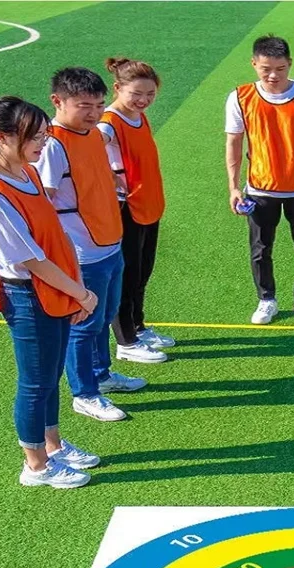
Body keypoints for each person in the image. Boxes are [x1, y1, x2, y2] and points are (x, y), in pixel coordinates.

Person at [0, 96, 100, 488]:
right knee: (35, 381)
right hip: (28, 295)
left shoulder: (27, 172)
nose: (43, 143)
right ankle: (35, 466)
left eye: (43, 134)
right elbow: (31, 261)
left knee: (51, 374)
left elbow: (50, 239)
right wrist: (81, 294)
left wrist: (73, 291)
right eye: (34, 136)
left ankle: (53, 446)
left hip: (52, 288)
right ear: (3, 137)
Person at [37, 66, 146, 423]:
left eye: (99, 104)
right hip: (82, 253)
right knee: (84, 325)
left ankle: (102, 374)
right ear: (58, 101)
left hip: (110, 243)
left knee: (103, 316)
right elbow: (44, 203)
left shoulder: (93, 135)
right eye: (84, 105)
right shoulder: (52, 145)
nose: (95, 113)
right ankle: (84, 394)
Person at [225, 34, 294, 326]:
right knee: (261, 248)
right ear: (254, 64)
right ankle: (266, 299)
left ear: (290, 64)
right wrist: (234, 187)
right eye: (265, 68)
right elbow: (234, 143)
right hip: (260, 189)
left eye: (280, 68)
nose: (273, 75)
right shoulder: (240, 96)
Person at [98, 56, 174, 364]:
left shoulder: (139, 117)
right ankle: (126, 341)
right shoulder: (108, 123)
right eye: (136, 94)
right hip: (124, 208)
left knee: (142, 271)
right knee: (127, 275)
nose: (144, 100)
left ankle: (139, 326)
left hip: (148, 204)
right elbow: (85, 152)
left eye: (150, 94)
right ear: (117, 88)